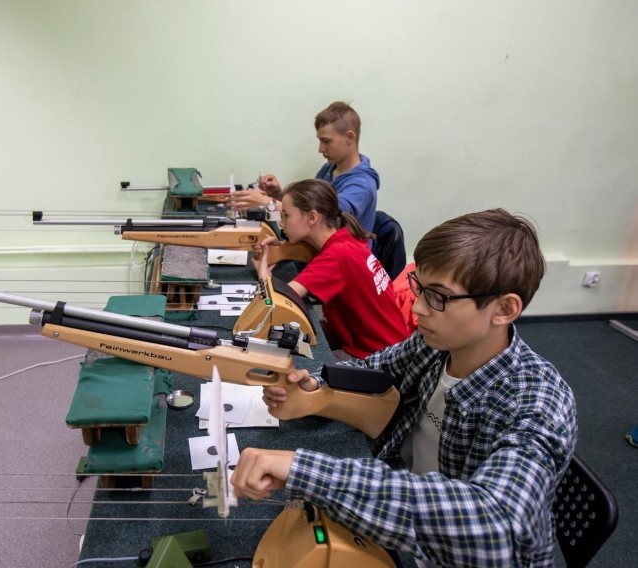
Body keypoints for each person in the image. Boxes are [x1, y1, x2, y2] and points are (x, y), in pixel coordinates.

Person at [231, 209, 578, 567]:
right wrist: (313, 382)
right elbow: (370, 368)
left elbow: (495, 523)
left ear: (504, 308)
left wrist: (305, 471)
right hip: (405, 514)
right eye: (419, 288)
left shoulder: (538, 401)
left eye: (439, 297)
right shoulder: (435, 344)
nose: (418, 309)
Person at [255, 178, 408, 359]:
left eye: (286, 216)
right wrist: (282, 249)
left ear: (312, 217)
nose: (281, 224)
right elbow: (309, 254)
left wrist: (262, 269)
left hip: (375, 358)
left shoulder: (335, 257)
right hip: (392, 347)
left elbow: (274, 301)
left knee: (293, 363)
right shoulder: (347, 239)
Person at [230, 101, 380, 233]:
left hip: (342, 262)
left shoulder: (362, 185)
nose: (320, 149)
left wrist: (268, 204)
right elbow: (310, 207)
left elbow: (324, 217)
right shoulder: (328, 169)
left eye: (326, 141)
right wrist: (279, 195)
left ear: (350, 137)